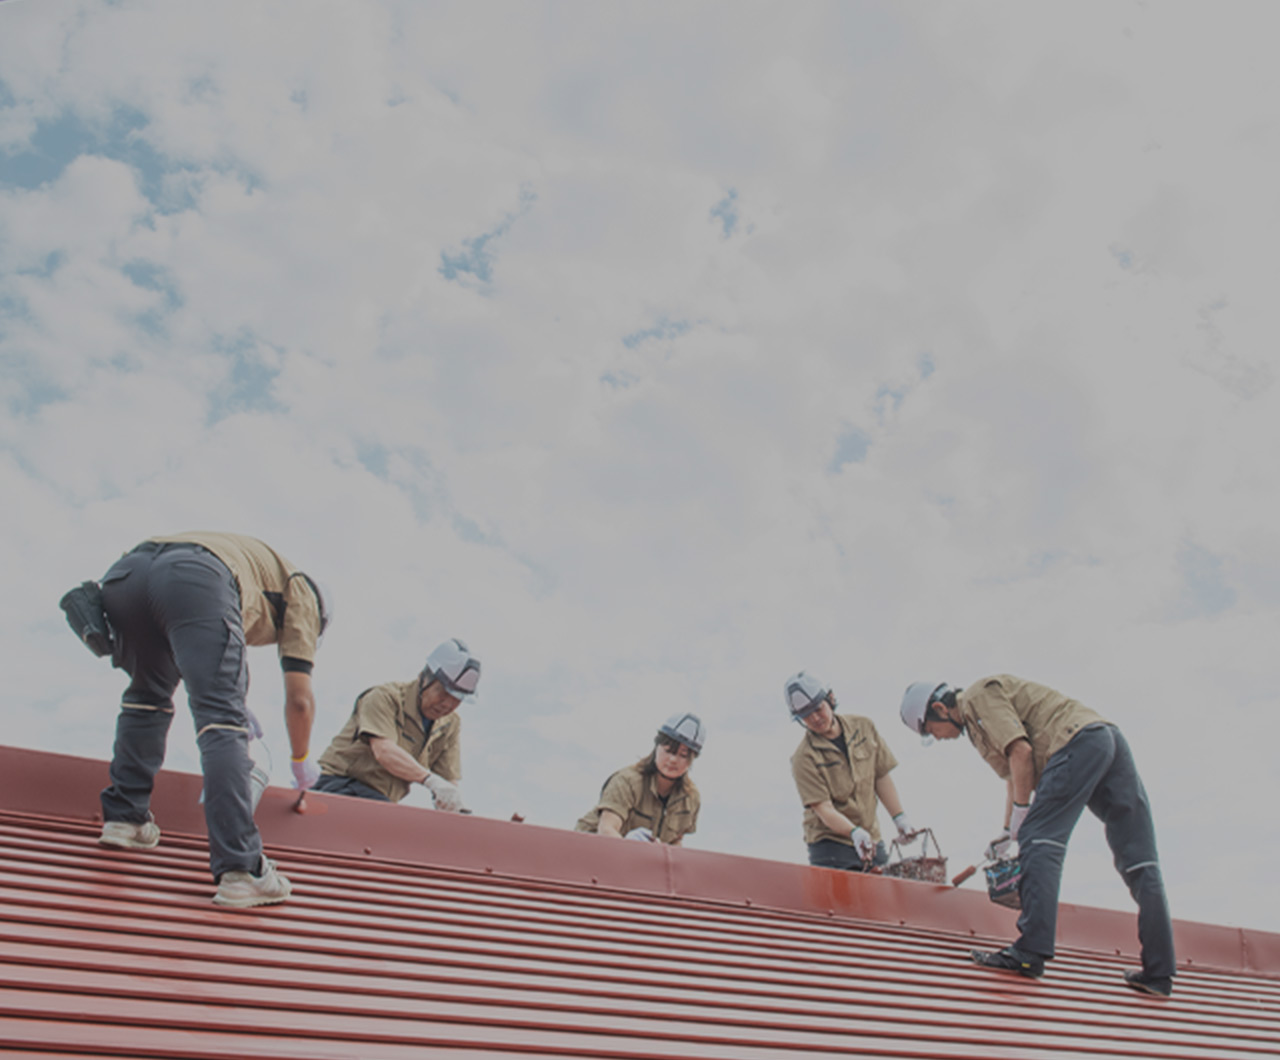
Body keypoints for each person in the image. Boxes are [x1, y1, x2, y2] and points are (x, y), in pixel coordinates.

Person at [899, 674, 1176, 997]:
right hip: (1108, 739)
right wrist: (1007, 830)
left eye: (931, 730)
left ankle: (1030, 952)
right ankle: (1159, 973)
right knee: (1139, 862)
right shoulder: (977, 727)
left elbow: (1021, 752)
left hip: (1076, 742)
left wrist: (1022, 817)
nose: (939, 737)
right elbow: (1015, 776)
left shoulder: (976, 697)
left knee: (1039, 840)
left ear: (938, 709)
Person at [93, 531, 327, 908]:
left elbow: (184, 638)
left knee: (146, 697)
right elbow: (299, 700)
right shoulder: (303, 594)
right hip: (196, 577)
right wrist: (300, 760)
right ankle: (241, 869)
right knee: (222, 722)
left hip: (126, 576)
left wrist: (229, 695)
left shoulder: (251, 568)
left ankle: (126, 819)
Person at [314, 638, 480, 811]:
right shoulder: (385, 697)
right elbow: (384, 751)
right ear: (424, 677)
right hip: (339, 786)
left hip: (380, 802)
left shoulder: (450, 724)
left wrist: (453, 804)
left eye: (457, 699)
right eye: (443, 692)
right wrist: (430, 780)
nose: (447, 704)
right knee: (391, 827)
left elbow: (448, 782)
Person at [786, 671, 918, 871]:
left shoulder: (864, 727)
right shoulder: (803, 758)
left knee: (885, 892)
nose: (815, 718)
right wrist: (853, 832)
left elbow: (880, 776)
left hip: (870, 837)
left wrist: (899, 817)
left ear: (830, 699)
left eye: (818, 709)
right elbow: (824, 809)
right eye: (805, 716)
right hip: (830, 845)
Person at [575, 713, 704, 844]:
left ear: (692, 759)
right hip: (588, 849)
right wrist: (630, 846)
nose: (673, 760)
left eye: (683, 755)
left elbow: (675, 842)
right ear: (657, 747)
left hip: (642, 859)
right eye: (668, 751)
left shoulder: (690, 799)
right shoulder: (627, 781)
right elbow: (606, 830)